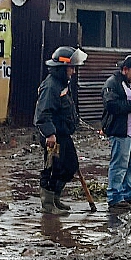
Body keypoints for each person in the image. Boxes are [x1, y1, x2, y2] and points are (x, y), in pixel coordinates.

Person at [34, 45, 87, 214]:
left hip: (63, 135)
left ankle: (55, 198)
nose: (74, 72)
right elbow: (43, 113)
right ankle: (48, 205)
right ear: (63, 67)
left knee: (70, 166)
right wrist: (50, 133)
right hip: (53, 137)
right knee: (52, 168)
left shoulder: (62, 84)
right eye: (71, 68)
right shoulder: (51, 86)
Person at [101, 55, 131, 210]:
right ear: (124, 70)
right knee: (119, 164)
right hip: (121, 130)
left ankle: (128, 193)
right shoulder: (113, 83)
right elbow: (111, 104)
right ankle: (114, 197)